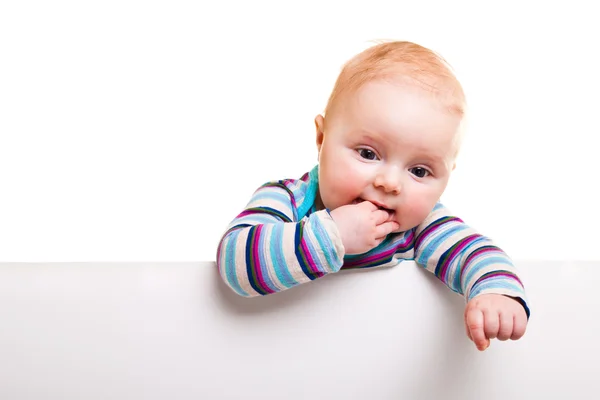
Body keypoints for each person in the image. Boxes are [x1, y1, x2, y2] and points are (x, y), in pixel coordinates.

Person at [215, 40, 529, 351]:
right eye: (367, 153)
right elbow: (234, 262)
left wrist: (494, 291)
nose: (390, 183)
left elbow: (472, 251)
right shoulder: (288, 200)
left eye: (419, 171)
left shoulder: (419, 228)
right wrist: (332, 234)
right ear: (322, 139)